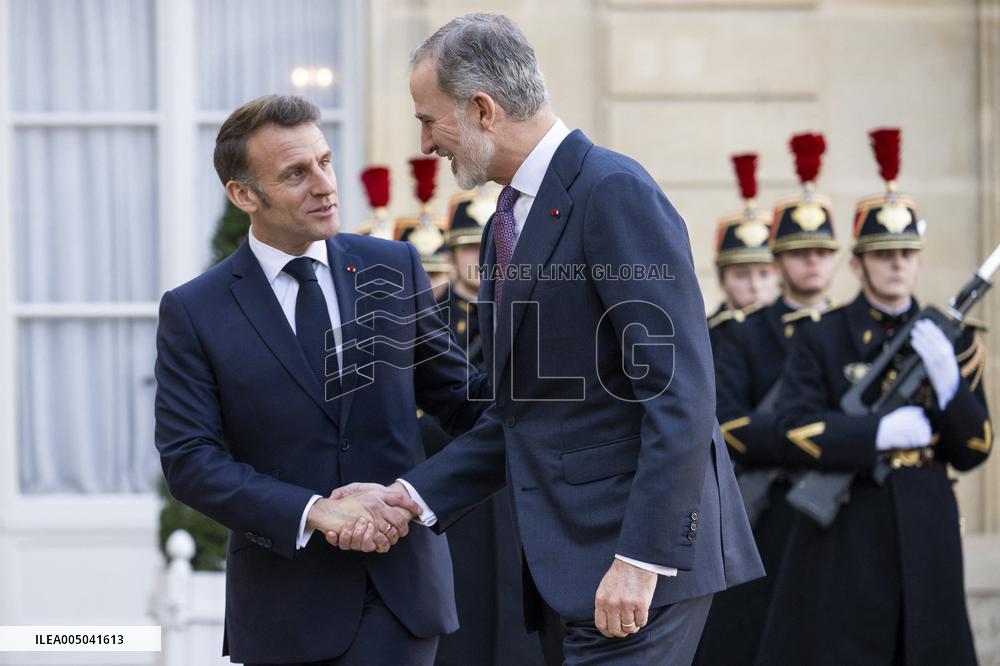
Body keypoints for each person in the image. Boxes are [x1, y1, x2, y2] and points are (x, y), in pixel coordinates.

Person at [331, 14, 763, 665]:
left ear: (482, 109)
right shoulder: (505, 221)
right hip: (574, 570)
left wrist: (641, 559)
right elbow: (523, 415)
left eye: (429, 120)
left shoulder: (612, 192)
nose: (424, 144)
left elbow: (681, 394)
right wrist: (409, 499)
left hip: (636, 572)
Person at [154, 94, 488, 665]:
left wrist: (415, 497)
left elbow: (466, 405)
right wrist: (313, 510)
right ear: (243, 195)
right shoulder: (195, 311)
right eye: (296, 173)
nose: (325, 185)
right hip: (282, 607)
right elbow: (190, 460)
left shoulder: (394, 267)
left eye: (326, 161)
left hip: (399, 592)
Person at [756, 128, 992, 665]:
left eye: (907, 253)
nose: (896, 264)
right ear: (858, 264)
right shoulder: (823, 336)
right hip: (852, 524)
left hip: (928, 521)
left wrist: (949, 384)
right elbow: (793, 428)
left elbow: (975, 449)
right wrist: (875, 434)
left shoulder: (952, 342)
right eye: (882, 254)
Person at [695, 132, 839, 665]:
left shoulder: (845, 331)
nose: (811, 265)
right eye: (798, 255)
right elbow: (730, 424)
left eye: (821, 253)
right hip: (769, 504)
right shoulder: (741, 334)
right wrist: (824, 440)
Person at [420, 189, 546, 666]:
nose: (479, 259)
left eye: (484, 246)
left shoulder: (525, 309)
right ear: (451, 256)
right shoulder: (430, 319)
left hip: (517, 483)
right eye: (468, 248)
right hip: (455, 479)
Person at [707, 153, 779, 351]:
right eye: (741, 275)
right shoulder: (705, 336)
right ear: (722, 280)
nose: (755, 286)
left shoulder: (794, 332)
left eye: (764, 274)